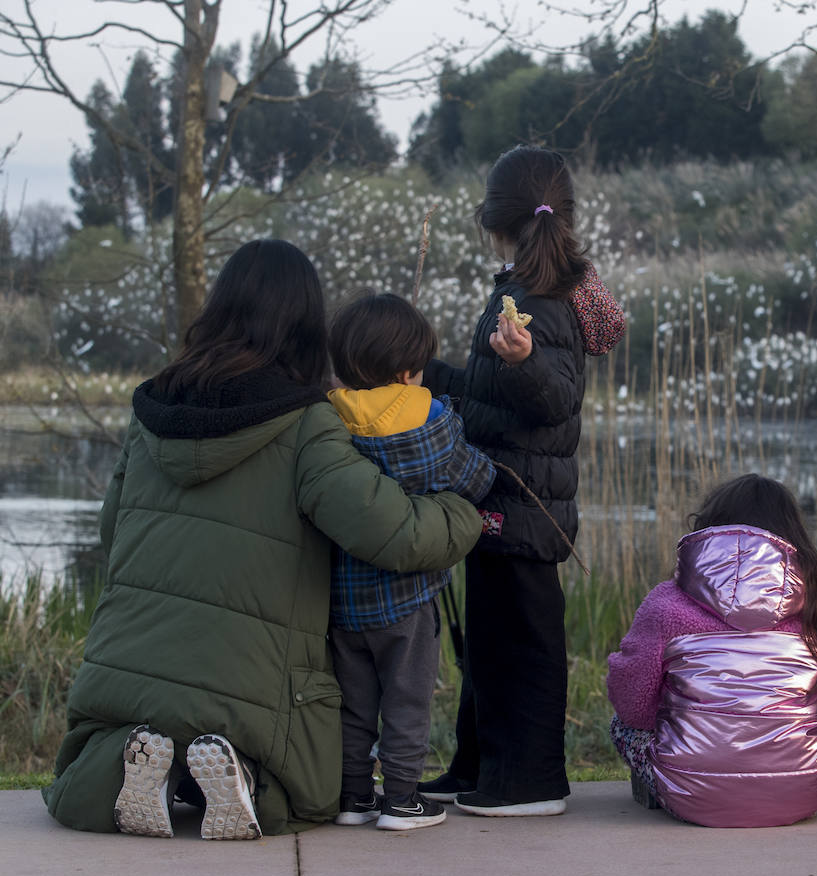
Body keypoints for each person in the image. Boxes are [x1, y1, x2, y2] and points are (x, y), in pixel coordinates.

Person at [41, 240, 483, 839]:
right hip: (252, 689)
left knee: (106, 753)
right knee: (305, 792)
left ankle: (149, 769)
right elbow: (396, 534)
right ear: (307, 326)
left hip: (128, 678)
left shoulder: (149, 412)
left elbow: (111, 530)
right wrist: (462, 509)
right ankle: (241, 775)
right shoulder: (307, 423)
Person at [420, 145, 605, 816]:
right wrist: (433, 377)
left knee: (521, 644)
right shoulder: (522, 286)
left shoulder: (541, 298)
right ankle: (478, 768)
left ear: (496, 219)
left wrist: (525, 362)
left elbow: (553, 398)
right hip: (505, 492)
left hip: (526, 502)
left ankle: (529, 781)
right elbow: (494, 394)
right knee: (492, 642)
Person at [324, 291, 495, 832]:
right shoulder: (434, 422)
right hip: (409, 598)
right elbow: (477, 479)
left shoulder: (329, 422)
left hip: (342, 600)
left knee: (354, 704)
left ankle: (353, 797)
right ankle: (401, 798)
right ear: (407, 372)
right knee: (407, 700)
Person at [606, 475, 817, 828]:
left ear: (710, 527)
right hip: (803, 789)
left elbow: (632, 703)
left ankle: (660, 791)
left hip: (690, 793)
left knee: (621, 726)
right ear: (794, 534)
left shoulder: (666, 605)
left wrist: (685, 727)